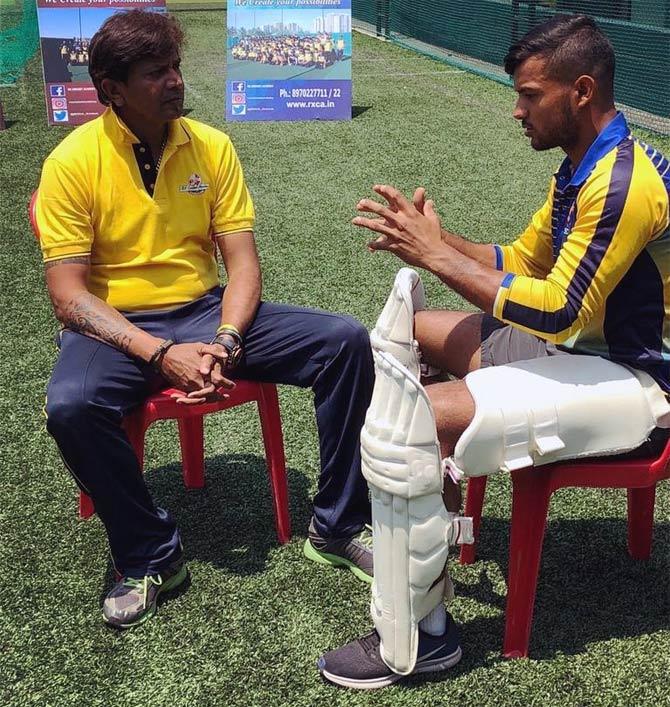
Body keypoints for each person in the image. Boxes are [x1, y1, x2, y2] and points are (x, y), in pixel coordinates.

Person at [318, 14, 670, 689]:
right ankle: (436, 508)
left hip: (637, 379)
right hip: (573, 348)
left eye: (530, 95)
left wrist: (436, 258)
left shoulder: (623, 184)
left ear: (583, 90)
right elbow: (522, 259)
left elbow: (558, 304)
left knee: (408, 420)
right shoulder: (584, 164)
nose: (516, 109)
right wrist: (441, 240)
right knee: (400, 334)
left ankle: (421, 636)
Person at [36, 9, 374, 630]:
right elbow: (69, 298)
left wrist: (224, 338)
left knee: (346, 342)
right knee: (71, 406)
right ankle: (150, 556)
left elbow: (243, 266)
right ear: (111, 89)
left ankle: (338, 524)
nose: (174, 81)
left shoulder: (211, 145)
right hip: (115, 322)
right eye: (154, 73)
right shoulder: (71, 162)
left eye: (175, 67)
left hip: (204, 311)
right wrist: (160, 355)